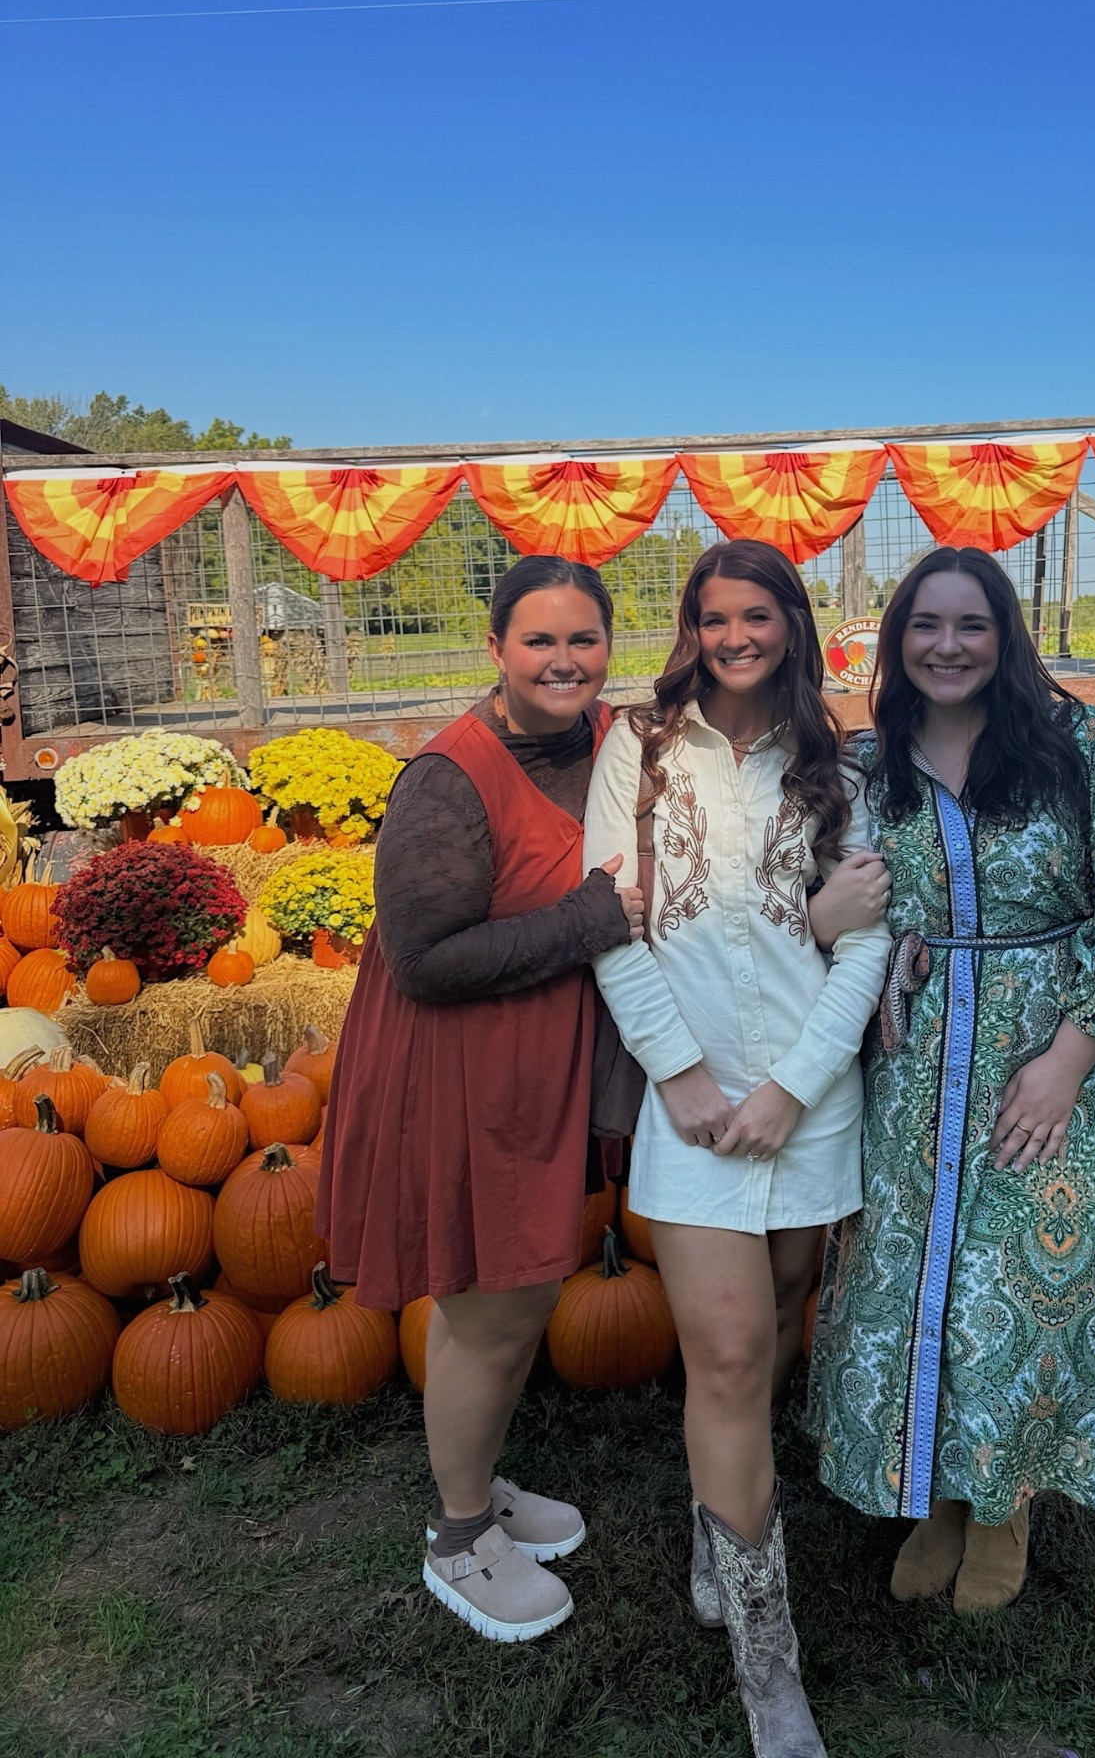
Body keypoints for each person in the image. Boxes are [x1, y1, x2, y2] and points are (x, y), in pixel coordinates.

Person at [808, 546, 1095, 1614]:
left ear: (1005, 633)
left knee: (1015, 1285)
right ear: (897, 642)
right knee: (915, 1273)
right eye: (924, 625)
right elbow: (830, 894)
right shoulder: (871, 759)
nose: (947, 645)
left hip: (1045, 1053)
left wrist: (1070, 1062)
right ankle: (933, 1490)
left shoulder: (1081, 750)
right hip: (918, 1059)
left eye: (970, 624)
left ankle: (1004, 1502)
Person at [582, 538, 889, 1758]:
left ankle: (725, 1528)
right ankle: (771, 1667)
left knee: (771, 1338)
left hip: (808, 1109)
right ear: (692, 628)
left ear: (791, 624)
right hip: (694, 1104)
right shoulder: (642, 752)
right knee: (727, 1348)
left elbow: (863, 940)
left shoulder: (840, 768)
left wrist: (796, 1089)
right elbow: (614, 928)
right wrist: (689, 1076)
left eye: (756, 615)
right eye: (714, 617)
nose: (734, 636)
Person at [316, 558, 644, 1645]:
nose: (564, 661)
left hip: (539, 1061)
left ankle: (479, 1479)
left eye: (583, 640)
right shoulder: (448, 779)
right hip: (463, 1070)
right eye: (540, 641)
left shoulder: (603, 746)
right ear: (495, 649)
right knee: (489, 1303)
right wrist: (594, 920)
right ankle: (459, 1536)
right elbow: (426, 959)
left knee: (522, 1293)